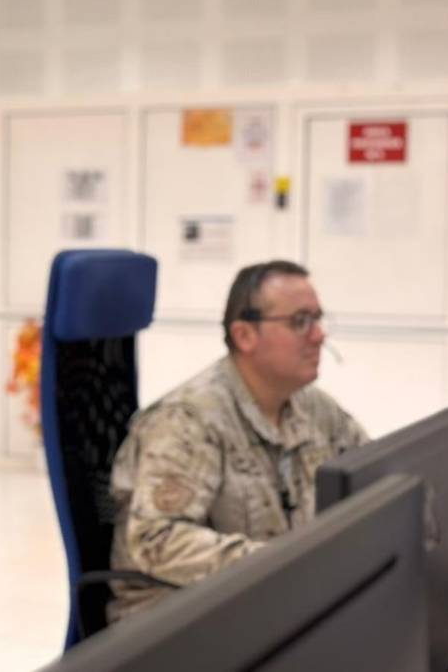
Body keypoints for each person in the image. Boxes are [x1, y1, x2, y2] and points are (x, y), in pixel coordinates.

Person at [108, 260, 368, 621]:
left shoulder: (312, 408)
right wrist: (282, 565)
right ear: (245, 335)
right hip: (177, 621)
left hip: (265, 601)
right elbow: (157, 540)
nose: (319, 335)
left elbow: (372, 475)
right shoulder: (189, 420)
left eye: (318, 319)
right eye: (300, 322)